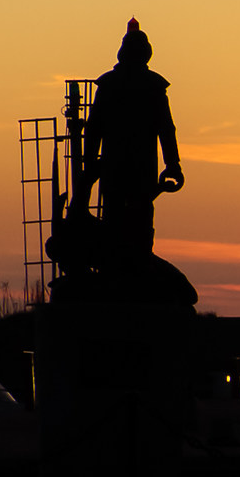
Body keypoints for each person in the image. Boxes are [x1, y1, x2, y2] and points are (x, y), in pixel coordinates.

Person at [83, 18, 186, 288]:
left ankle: (130, 271)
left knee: (124, 217)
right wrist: (173, 163)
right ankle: (124, 272)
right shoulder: (148, 87)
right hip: (132, 167)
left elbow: (95, 129)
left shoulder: (115, 85)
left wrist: (90, 163)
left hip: (121, 166)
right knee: (128, 217)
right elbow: (166, 128)